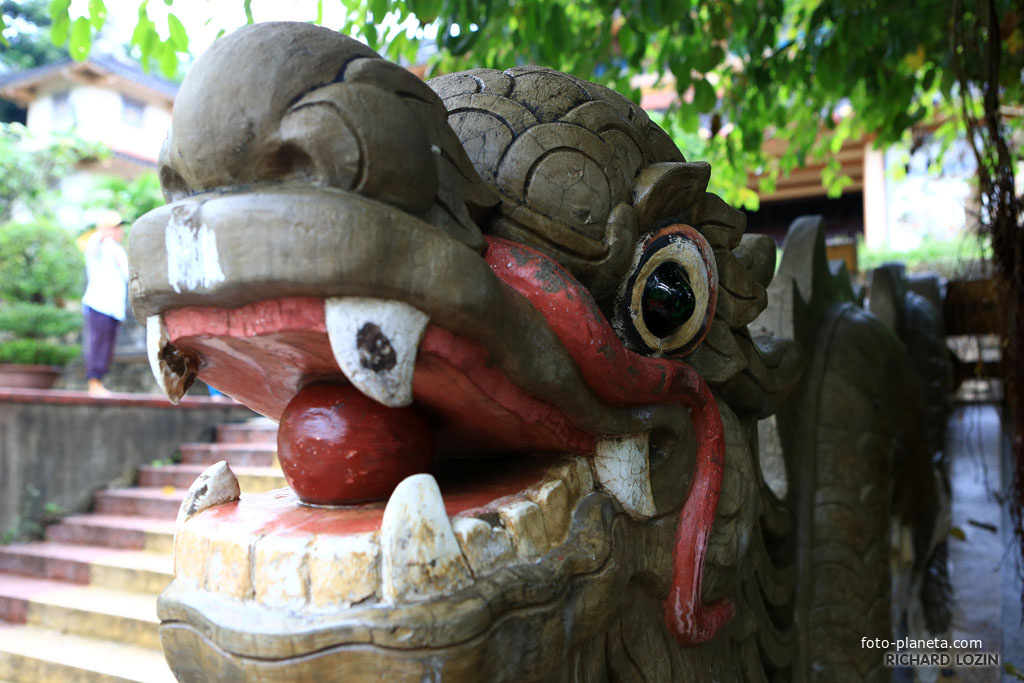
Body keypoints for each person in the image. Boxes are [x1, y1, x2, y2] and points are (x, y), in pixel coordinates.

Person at [82, 211, 129, 396]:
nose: (120, 231)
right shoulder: (99, 245)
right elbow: (94, 243)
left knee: (107, 347)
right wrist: (103, 233)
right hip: (98, 304)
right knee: (98, 345)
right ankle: (94, 383)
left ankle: (98, 382)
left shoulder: (117, 249)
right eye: (116, 227)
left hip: (113, 308)